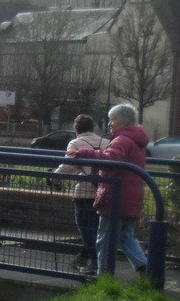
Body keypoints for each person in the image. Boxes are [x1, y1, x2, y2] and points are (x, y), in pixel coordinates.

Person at [68, 103, 149, 278]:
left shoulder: (121, 140)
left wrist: (86, 153)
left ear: (124, 122)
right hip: (133, 193)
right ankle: (144, 266)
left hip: (116, 194)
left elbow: (111, 160)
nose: (110, 124)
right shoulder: (138, 141)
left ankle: (104, 275)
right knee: (125, 234)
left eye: (113, 120)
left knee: (104, 238)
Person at [55, 114, 109, 274]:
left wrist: (54, 177)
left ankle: (94, 261)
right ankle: (83, 257)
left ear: (76, 129)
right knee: (97, 229)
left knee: (85, 228)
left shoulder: (76, 143)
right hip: (103, 191)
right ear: (92, 128)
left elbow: (69, 166)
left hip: (84, 192)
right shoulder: (106, 143)